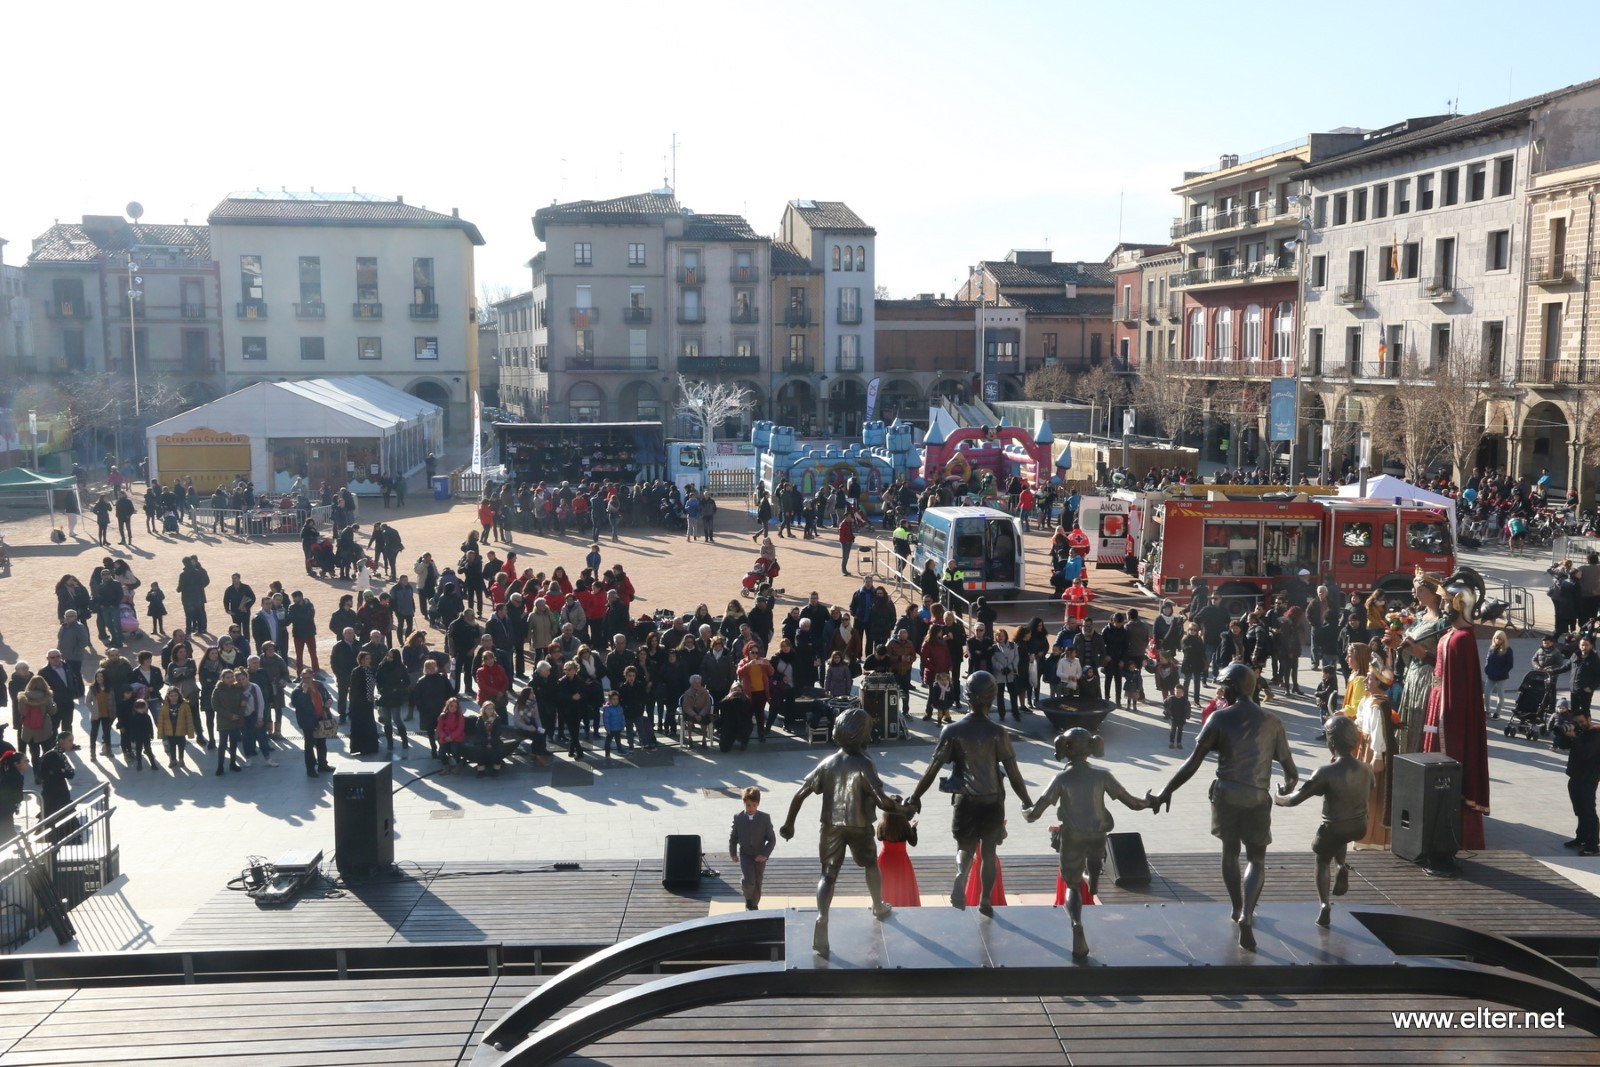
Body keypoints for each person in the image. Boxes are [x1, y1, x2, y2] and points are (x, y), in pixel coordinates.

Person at [1150, 662, 1298, 951]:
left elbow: (1192, 761)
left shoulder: (1218, 718)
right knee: (1256, 859)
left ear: (1231, 688)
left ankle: (1235, 908)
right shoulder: (1273, 722)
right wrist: (1286, 787)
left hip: (1227, 793)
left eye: (1223, 686)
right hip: (1257, 796)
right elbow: (1291, 773)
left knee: (1230, 852)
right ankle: (1248, 914)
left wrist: (1166, 790)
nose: (1220, 690)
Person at [778, 707, 905, 957]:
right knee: (870, 864)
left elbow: (800, 794)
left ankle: (822, 917)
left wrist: (789, 823)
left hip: (830, 826)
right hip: (859, 825)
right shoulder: (865, 764)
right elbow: (881, 801)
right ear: (860, 735)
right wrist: (902, 809)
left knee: (828, 875)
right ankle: (878, 906)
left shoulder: (827, 764)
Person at [906, 671, 1035, 915]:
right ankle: (985, 900)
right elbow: (1015, 774)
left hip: (965, 798)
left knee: (964, 847)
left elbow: (932, 769)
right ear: (993, 697)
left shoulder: (952, 731)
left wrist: (915, 797)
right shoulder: (998, 732)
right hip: (992, 798)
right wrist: (1028, 802)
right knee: (988, 852)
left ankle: (960, 873)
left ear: (966, 696)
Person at [1024, 728, 1151, 957]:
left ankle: (1076, 923)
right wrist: (1151, 801)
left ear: (1065, 749)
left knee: (1072, 885)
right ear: (1091, 748)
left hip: (1072, 835)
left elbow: (1036, 812)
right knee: (1095, 855)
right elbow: (1132, 803)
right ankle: (1093, 882)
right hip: (1097, 833)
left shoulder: (1061, 778)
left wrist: (1027, 812)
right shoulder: (1103, 776)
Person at [1273, 716, 1374, 927]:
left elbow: (1294, 800)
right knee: (1342, 832)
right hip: (1359, 826)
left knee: (1321, 859)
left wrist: (1278, 797)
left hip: (1334, 827)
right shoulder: (1366, 768)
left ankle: (1324, 904)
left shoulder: (1325, 772)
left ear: (1331, 742)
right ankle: (1342, 865)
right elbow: (1371, 787)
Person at [1421, 570, 1490, 853]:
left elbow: (1457, 693)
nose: (1444, 607)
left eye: (1448, 602)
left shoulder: (1461, 639)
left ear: (1461, 603)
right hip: (1437, 711)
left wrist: (1442, 724)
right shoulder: (1451, 634)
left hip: (1448, 721)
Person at [1555, 705, 1600, 856]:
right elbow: (1562, 745)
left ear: (1589, 719)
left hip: (1588, 780)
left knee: (1588, 811)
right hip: (1575, 777)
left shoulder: (1596, 735)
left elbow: (1585, 753)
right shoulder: (1580, 733)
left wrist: (1574, 737)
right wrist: (1564, 733)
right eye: (1577, 722)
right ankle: (1581, 838)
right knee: (1579, 810)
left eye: (1582, 722)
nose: (1580, 725)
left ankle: (1593, 845)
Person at [729, 785, 777, 910]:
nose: (751, 808)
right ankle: (748, 899)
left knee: (757, 881)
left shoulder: (765, 818)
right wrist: (733, 853)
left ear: (758, 804)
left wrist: (765, 854)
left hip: (760, 855)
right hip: (745, 854)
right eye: (748, 805)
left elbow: (772, 839)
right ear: (744, 803)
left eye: (754, 805)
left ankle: (754, 904)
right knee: (749, 880)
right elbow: (733, 837)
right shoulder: (738, 818)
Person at [291, 668, 335, 777]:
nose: (306, 680)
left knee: (321, 743)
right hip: (308, 722)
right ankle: (310, 770)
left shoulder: (319, 685)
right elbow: (297, 704)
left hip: (321, 718)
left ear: (312, 676)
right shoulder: (297, 690)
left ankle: (322, 765)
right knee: (309, 746)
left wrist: (329, 701)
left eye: (308, 677)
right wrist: (304, 692)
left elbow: (327, 696)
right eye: (303, 678)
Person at [346, 651, 381, 756]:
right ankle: (362, 747)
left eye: (369, 658)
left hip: (369, 702)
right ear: (361, 660)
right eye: (366, 659)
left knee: (369, 724)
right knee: (361, 725)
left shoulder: (370, 670)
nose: (369, 660)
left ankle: (371, 746)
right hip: (359, 703)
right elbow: (354, 689)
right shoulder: (357, 671)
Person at [156, 687, 197, 772]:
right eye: (171, 696)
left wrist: (190, 732)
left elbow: (189, 719)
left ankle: (181, 759)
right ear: (168, 696)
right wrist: (161, 733)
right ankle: (173, 760)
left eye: (175, 695)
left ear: (179, 695)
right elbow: (161, 720)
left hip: (181, 730)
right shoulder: (165, 707)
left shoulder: (184, 705)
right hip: (169, 731)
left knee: (181, 746)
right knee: (172, 747)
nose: (174, 697)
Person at [1484, 629, 1514, 721]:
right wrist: (1487, 670)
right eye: (1496, 638)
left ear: (1504, 640)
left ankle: (1497, 713)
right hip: (1491, 675)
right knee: (1487, 693)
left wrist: (1502, 673)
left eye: (1500, 639)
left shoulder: (1507, 650)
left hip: (1502, 677)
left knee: (1500, 694)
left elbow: (1509, 664)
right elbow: (1487, 660)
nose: (1498, 640)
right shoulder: (1491, 648)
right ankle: (1487, 710)